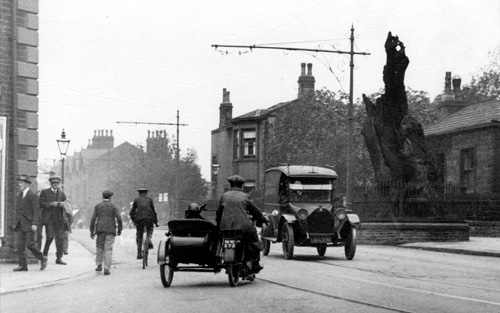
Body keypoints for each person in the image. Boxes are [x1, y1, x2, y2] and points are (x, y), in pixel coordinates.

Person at [216, 175, 268, 273]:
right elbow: (255, 211)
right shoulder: (245, 196)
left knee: (223, 241)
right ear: (241, 185)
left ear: (230, 185)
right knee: (255, 241)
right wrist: (263, 219)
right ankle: (255, 264)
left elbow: (219, 212)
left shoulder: (224, 196)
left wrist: (219, 224)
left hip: (226, 228)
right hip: (243, 228)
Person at [13, 174, 48, 271]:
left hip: (29, 224)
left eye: (21, 183)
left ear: (27, 184)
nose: (19, 185)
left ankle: (42, 258)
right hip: (20, 224)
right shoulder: (19, 195)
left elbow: (36, 210)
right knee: (20, 245)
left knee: (30, 244)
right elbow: (18, 211)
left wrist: (34, 224)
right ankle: (23, 266)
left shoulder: (33, 196)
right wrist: (16, 222)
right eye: (19, 183)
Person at [38, 175, 70, 265]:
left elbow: (66, 203)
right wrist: (51, 204)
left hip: (59, 219)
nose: (55, 185)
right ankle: (44, 256)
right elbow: (40, 203)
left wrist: (62, 204)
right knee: (50, 237)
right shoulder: (44, 192)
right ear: (51, 184)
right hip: (49, 219)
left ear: (59, 184)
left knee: (60, 239)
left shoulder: (61, 193)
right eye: (54, 183)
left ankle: (59, 258)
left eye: (57, 183)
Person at [90, 190, 122, 275]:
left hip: (100, 230)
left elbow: (93, 219)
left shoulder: (98, 206)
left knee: (99, 247)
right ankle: (106, 268)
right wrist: (119, 229)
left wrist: (91, 231)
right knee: (108, 249)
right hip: (110, 230)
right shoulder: (113, 206)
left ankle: (99, 265)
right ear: (110, 198)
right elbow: (119, 218)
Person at [129, 188, 158, 259]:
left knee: (139, 235)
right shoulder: (150, 200)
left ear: (139, 193)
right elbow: (153, 211)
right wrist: (156, 222)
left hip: (139, 219)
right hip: (149, 218)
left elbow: (132, 212)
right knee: (150, 229)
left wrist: (134, 220)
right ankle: (149, 239)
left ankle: (139, 253)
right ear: (146, 193)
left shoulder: (136, 200)